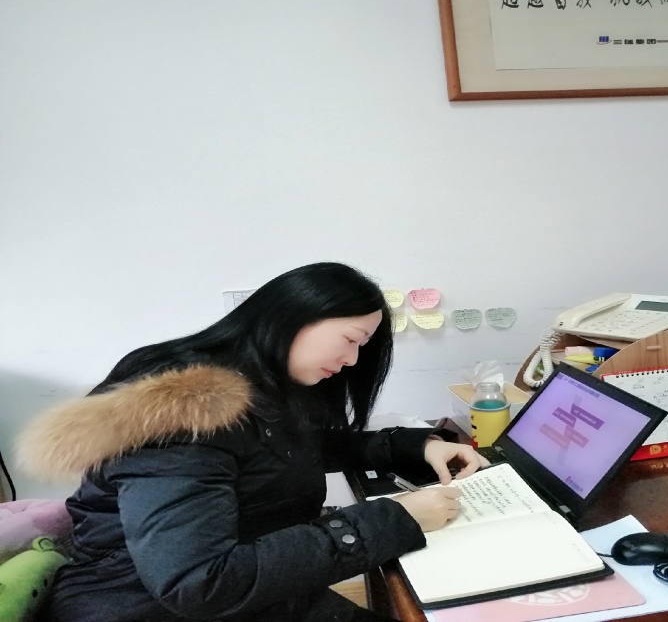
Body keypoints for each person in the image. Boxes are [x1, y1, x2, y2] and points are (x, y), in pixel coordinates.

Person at [18, 262, 486, 621]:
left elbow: (292, 451)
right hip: (142, 606)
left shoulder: (254, 383)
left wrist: (413, 446)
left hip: (241, 590)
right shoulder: (189, 413)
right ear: (297, 316)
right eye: (351, 339)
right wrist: (395, 518)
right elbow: (197, 583)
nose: (351, 360)